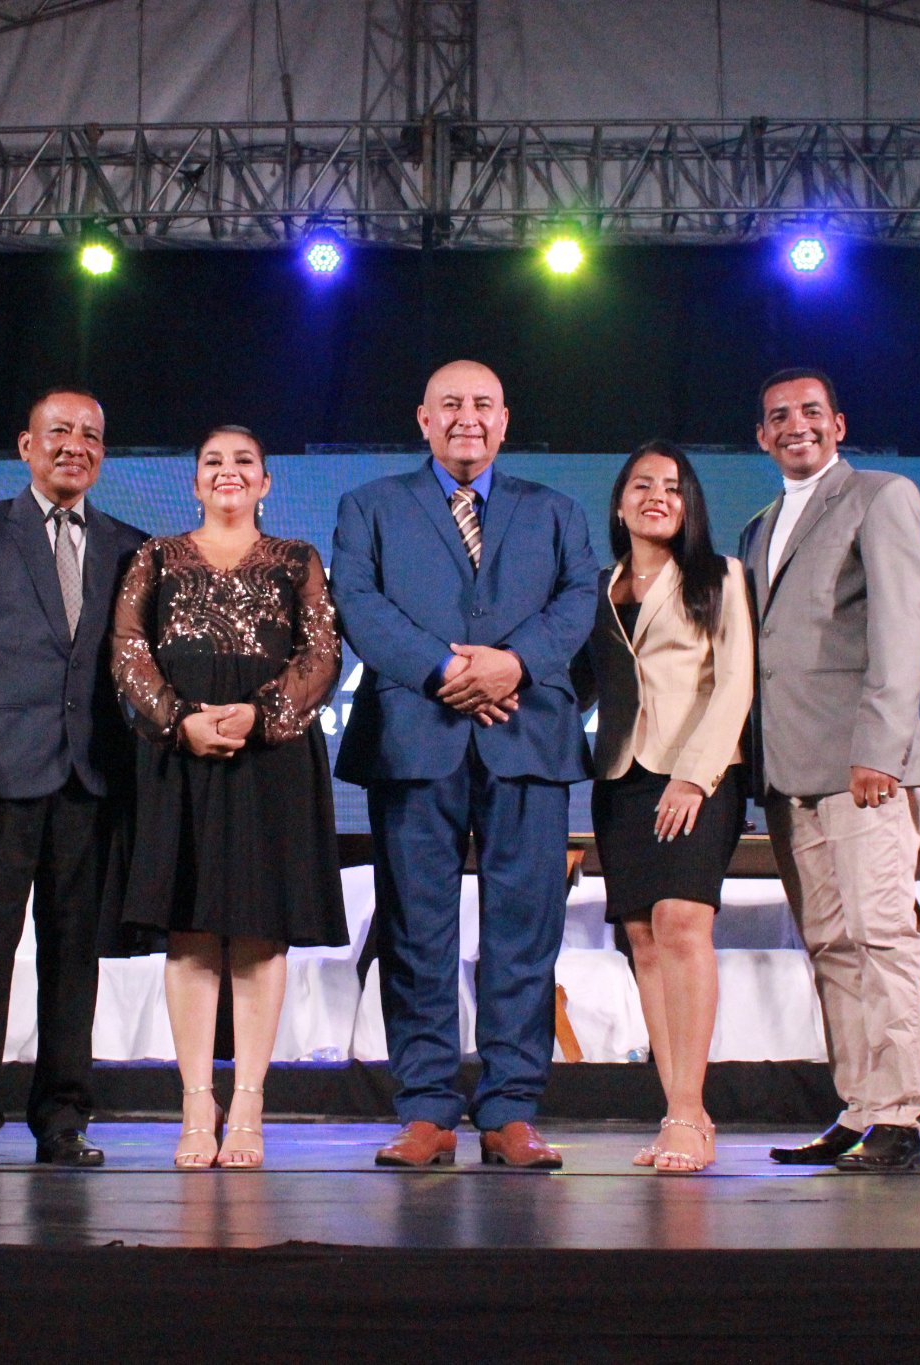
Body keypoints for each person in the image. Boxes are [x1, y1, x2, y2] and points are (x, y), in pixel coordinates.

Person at [333, 360, 598, 1169]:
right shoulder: (370, 506)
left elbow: (578, 599)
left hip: (527, 734)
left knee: (525, 933)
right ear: (423, 418)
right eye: (450, 404)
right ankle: (426, 1109)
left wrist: (512, 664)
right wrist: (445, 669)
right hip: (414, 735)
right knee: (416, 930)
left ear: (504, 420)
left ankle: (511, 1109)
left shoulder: (554, 511)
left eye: (483, 404)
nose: (467, 418)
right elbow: (358, 601)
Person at [0, 387, 148, 1170]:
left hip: (91, 777)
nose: (74, 445)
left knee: (74, 954)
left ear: (103, 454)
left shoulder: (128, 545)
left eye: (91, 435)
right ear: (26, 445)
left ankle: (63, 1118)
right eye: (59, 431)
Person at [111, 425, 345, 1170]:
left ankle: (247, 1103)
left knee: (258, 934)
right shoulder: (154, 557)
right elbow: (127, 649)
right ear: (195, 481)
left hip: (270, 757)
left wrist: (262, 714)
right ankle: (194, 1105)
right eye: (213, 461)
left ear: (266, 482)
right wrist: (178, 719)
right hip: (180, 757)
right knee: (189, 933)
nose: (228, 471)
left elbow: (323, 652)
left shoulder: (298, 560)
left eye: (244, 461)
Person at [737, 368, 920, 1174]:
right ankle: (859, 1108)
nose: (797, 425)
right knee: (829, 944)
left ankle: (899, 1115)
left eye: (811, 411)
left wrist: (879, 748)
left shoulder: (880, 495)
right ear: (761, 436)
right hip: (789, 774)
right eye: (779, 415)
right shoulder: (757, 528)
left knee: (880, 934)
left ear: (839, 424)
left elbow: (904, 622)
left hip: (864, 767)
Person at [574, 440, 753, 1174]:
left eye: (673, 487)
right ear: (620, 504)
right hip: (621, 779)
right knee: (644, 940)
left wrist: (694, 777)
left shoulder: (719, 576)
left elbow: (735, 683)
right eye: (642, 485)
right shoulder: (597, 588)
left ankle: (686, 1107)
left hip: (699, 775)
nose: (658, 496)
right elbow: (580, 685)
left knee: (682, 922)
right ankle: (682, 1110)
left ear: (689, 505)